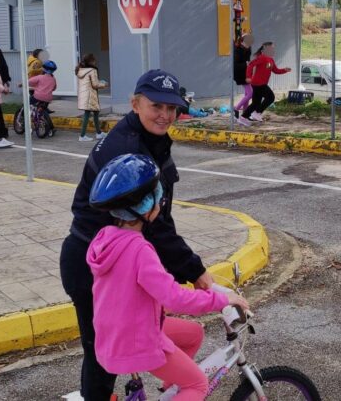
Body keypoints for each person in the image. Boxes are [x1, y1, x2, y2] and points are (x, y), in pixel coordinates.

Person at [61, 69, 217, 401]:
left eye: (172, 108)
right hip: (93, 262)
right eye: (156, 106)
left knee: (140, 335)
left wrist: (184, 268)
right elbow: (156, 227)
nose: (165, 115)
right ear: (135, 104)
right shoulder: (128, 150)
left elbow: (160, 217)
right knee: (103, 356)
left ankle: (167, 387)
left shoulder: (148, 138)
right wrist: (195, 272)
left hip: (112, 256)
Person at [86, 154, 248, 401]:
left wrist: (156, 305)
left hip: (115, 334)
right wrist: (222, 300)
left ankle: (169, 392)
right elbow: (175, 299)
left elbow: (126, 289)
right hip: (136, 341)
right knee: (197, 384)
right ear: (143, 206)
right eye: (156, 196)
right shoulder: (139, 249)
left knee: (193, 334)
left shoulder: (105, 239)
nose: (160, 201)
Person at [239, 42, 290, 126]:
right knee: (270, 97)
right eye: (271, 48)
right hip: (258, 84)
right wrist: (248, 76)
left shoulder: (270, 60)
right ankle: (256, 113)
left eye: (273, 48)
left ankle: (244, 117)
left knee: (256, 103)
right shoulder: (261, 58)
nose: (273, 50)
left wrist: (285, 70)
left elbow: (276, 70)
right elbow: (251, 65)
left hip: (260, 84)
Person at [76, 54, 108, 142]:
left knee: (94, 112)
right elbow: (95, 84)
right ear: (90, 61)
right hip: (90, 95)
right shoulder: (92, 70)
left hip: (84, 94)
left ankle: (98, 133)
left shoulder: (81, 70)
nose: (95, 61)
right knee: (88, 114)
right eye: (94, 60)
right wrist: (104, 84)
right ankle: (82, 136)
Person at [232, 34, 253, 118]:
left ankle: (245, 114)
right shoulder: (238, 50)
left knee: (247, 94)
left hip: (247, 72)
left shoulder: (248, 49)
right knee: (251, 94)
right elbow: (236, 65)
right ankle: (236, 108)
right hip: (240, 73)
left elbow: (248, 60)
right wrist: (246, 64)